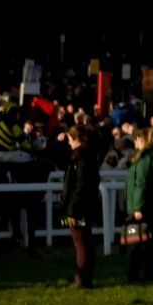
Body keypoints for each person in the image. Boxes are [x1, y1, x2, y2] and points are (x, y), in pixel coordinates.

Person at [59, 122, 104, 289]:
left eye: (70, 139)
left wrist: (72, 210)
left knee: (80, 243)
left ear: (76, 139)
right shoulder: (88, 155)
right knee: (85, 241)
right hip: (86, 206)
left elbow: (80, 186)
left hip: (79, 208)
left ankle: (83, 278)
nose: (69, 142)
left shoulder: (81, 157)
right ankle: (84, 276)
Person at [122, 124, 153, 283]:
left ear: (142, 140)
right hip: (149, 206)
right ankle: (147, 274)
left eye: (136, 139)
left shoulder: (145, 159)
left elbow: (141, 184)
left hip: (141, 208)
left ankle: (135, 275)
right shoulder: (151, 157)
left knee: (137, 243)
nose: (134, 142)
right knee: (148, 242)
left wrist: (138, 207)